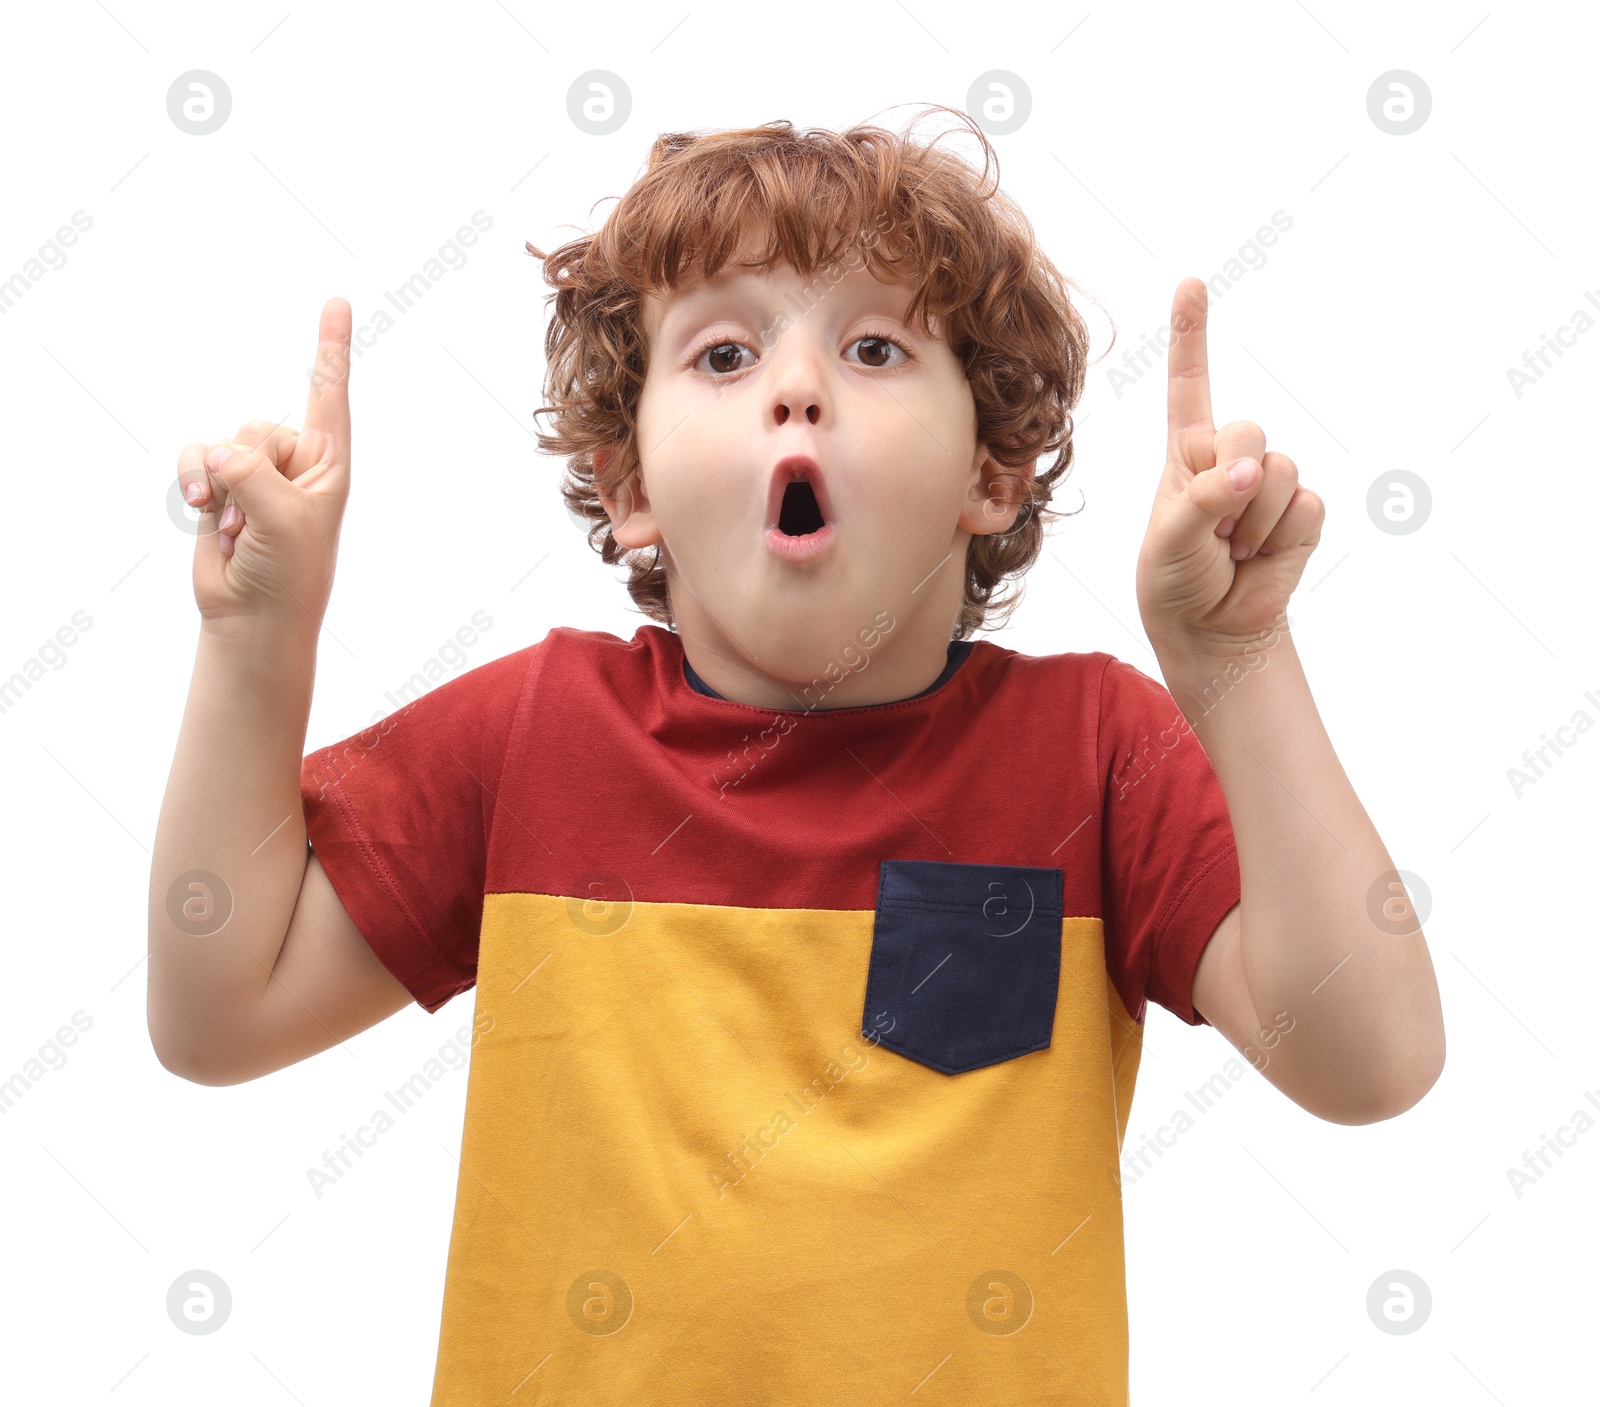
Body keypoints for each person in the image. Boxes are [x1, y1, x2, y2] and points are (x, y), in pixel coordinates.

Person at [150, 104, 1445, 1405]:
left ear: (991, 473)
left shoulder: (1097, 752)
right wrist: (258, 637)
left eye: (875, 344)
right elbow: (218, 1012)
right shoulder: (526, 737)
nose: (798, 384)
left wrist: (1236, 666)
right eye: (722, 354)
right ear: (630, 488)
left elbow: (1374, 1058)